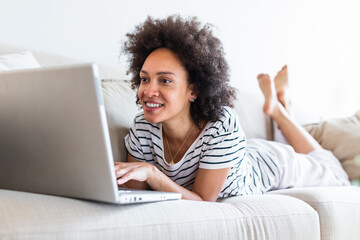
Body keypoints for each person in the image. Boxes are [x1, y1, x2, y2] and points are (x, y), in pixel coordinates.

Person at [114, 15, 350, 202]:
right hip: (236, 154)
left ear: (194, 90)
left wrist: (152, 173)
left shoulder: (222, 124)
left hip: (270, 164)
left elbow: (203, 201)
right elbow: (134, 195)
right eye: (145, 79)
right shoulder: (143, 127)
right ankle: (280, 105)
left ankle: (279, 110)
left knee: (337, 175)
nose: (148, 91)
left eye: (165, 81)